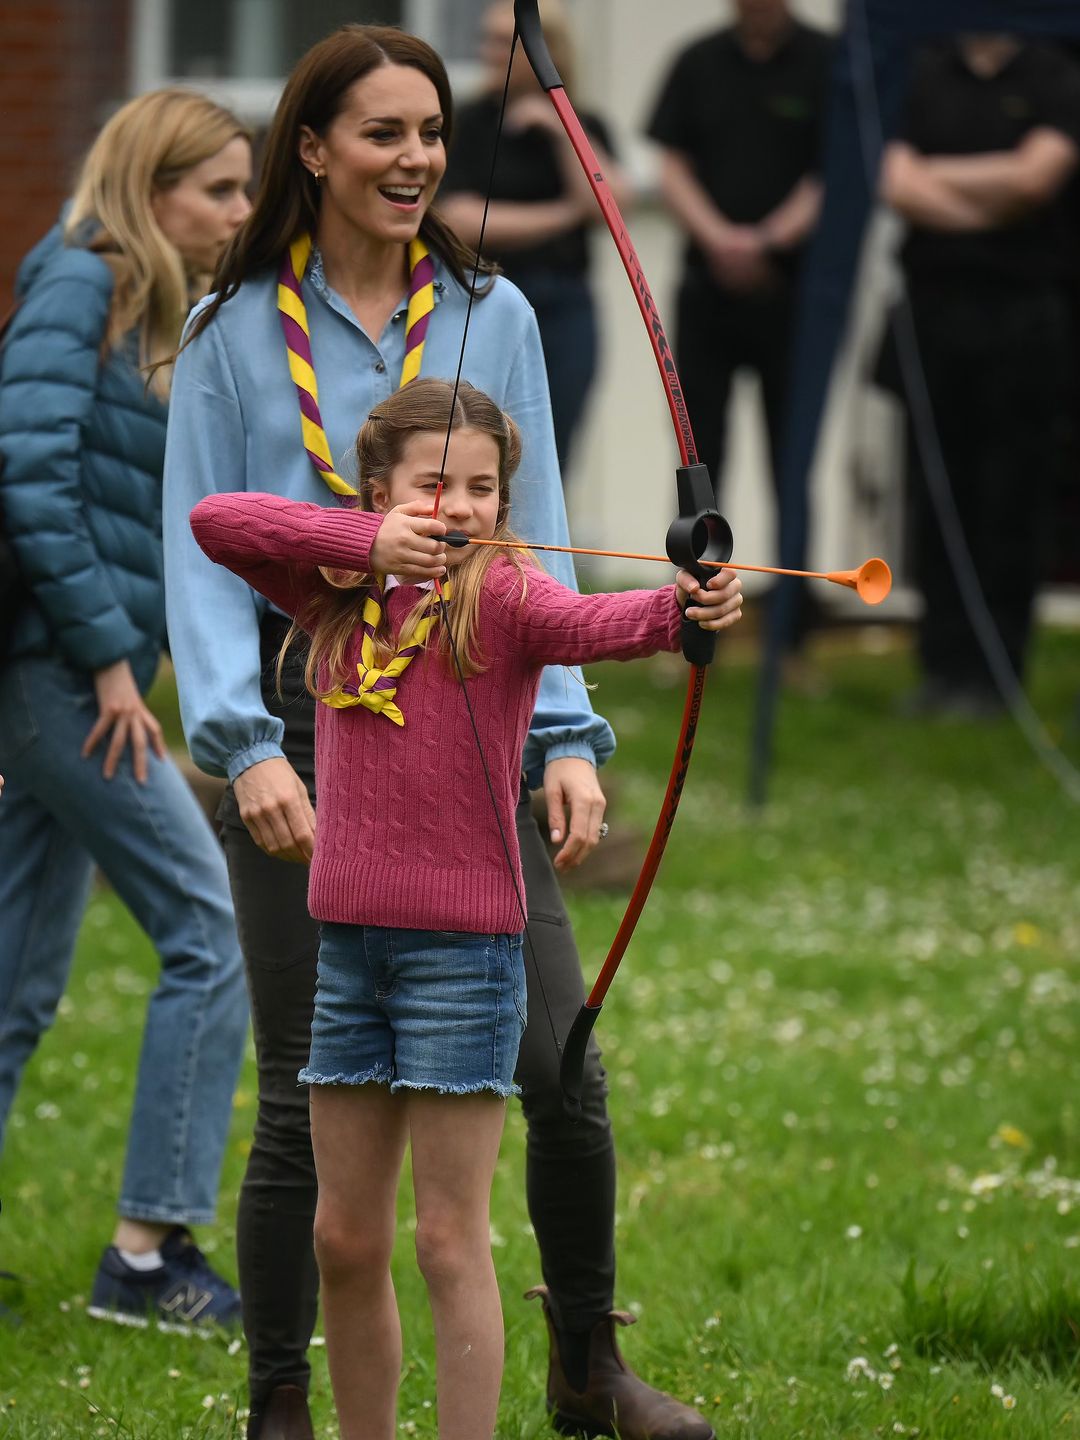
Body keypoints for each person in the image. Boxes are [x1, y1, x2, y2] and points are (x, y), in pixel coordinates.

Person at [162, 24, 727, 1440]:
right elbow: (208, 547)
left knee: (556, 1051)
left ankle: (586, 1371)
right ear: (313, 149)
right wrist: (244, 744)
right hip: (306, 720)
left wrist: (572, 735)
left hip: (482, 705)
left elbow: (533, 563)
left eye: (430, 134)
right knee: (306, 1086)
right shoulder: (235, 331)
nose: (416, 158)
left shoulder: (497, 314)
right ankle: (284, 1398)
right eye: (382, 134)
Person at [0, 91, 252, 1322]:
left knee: (12, 982)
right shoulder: (81, 281)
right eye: (219, 190)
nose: (240, 214)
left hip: (61, 681)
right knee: (212, 936)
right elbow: (28, 477)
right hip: (62, 685)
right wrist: (110, 658)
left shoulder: (144, 302)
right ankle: (146, 1260)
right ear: (152, 190)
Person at [882, 34, 1080, 717]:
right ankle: (941, 667)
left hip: (1025, 315)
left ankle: (996, 674)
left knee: (1010, 497)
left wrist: (938, 179)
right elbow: (893, 180)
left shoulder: (1055, 72)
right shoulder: (925, 69)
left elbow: (1038, 179)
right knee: (937, 493)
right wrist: (988, 201)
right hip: (935, 313)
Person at [646, 0, 830, 652]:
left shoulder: (825, 61)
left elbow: (831, 171)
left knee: (792, 461)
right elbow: (671, 167)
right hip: (707, 295)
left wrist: (766, 240)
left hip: (794, 298)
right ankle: (692, 623)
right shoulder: (697, 62)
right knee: (701, 468)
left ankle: (793, 638)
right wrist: (721, 239)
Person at [440, 0, 629, 477]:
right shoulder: (470, 122)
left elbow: (612, 202)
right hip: (483, 298)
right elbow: (458, 218)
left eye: (506, 42)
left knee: (554, 451)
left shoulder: (580, 121)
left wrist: (561, 131)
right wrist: (566, 214)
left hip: (565, 306)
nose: (489, 52)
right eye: (488, 40)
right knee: (476, 441)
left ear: (546, 49)